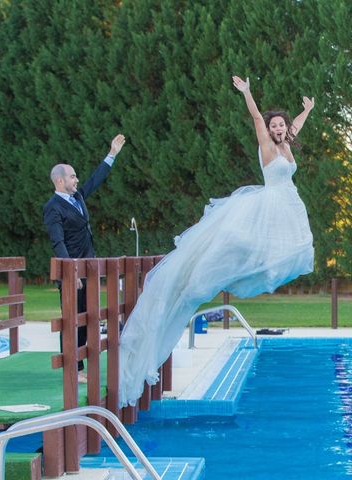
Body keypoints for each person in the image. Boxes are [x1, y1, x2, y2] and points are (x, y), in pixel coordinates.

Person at [118, 76, 315, 407]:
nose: (281, 129)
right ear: (270, 130)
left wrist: (306, 110)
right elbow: (256, 118)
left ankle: (249, 274)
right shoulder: (267, 146)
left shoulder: (286, 144)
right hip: (266, 208)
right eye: (276, 126)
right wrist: (248, 92)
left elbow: (295, 125)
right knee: (241, 253)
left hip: (286, 208)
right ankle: (218, 279)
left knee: (296, 250)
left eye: (283, 126)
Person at [43, 134, 127, 382]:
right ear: (60, 180)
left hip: (88, 268)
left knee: (87, 317)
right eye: (72, 176)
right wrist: (71, 272)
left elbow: (94, 180)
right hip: (72, 272)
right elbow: (58, 242)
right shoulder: (53, 207)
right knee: (72, 320)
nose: (76, 179)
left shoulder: (78, 197)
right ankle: (73, 369)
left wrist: (112, 154)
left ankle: (80, 366)